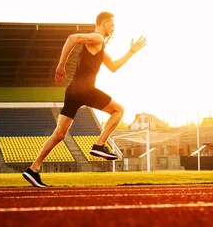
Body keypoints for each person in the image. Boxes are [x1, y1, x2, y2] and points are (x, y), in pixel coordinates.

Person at [23, 11, 147, 188]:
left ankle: (33, 169)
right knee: (119, 110)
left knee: (59, 133)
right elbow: (72, 38)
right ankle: (99, 145)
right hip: (85, 89)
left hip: (73, 90)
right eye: (111, 24)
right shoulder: (96, 37)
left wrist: (131, 52)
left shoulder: (99, 45)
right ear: (104, 23)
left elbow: (112, 67)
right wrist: (61, 65)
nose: (113, 28)